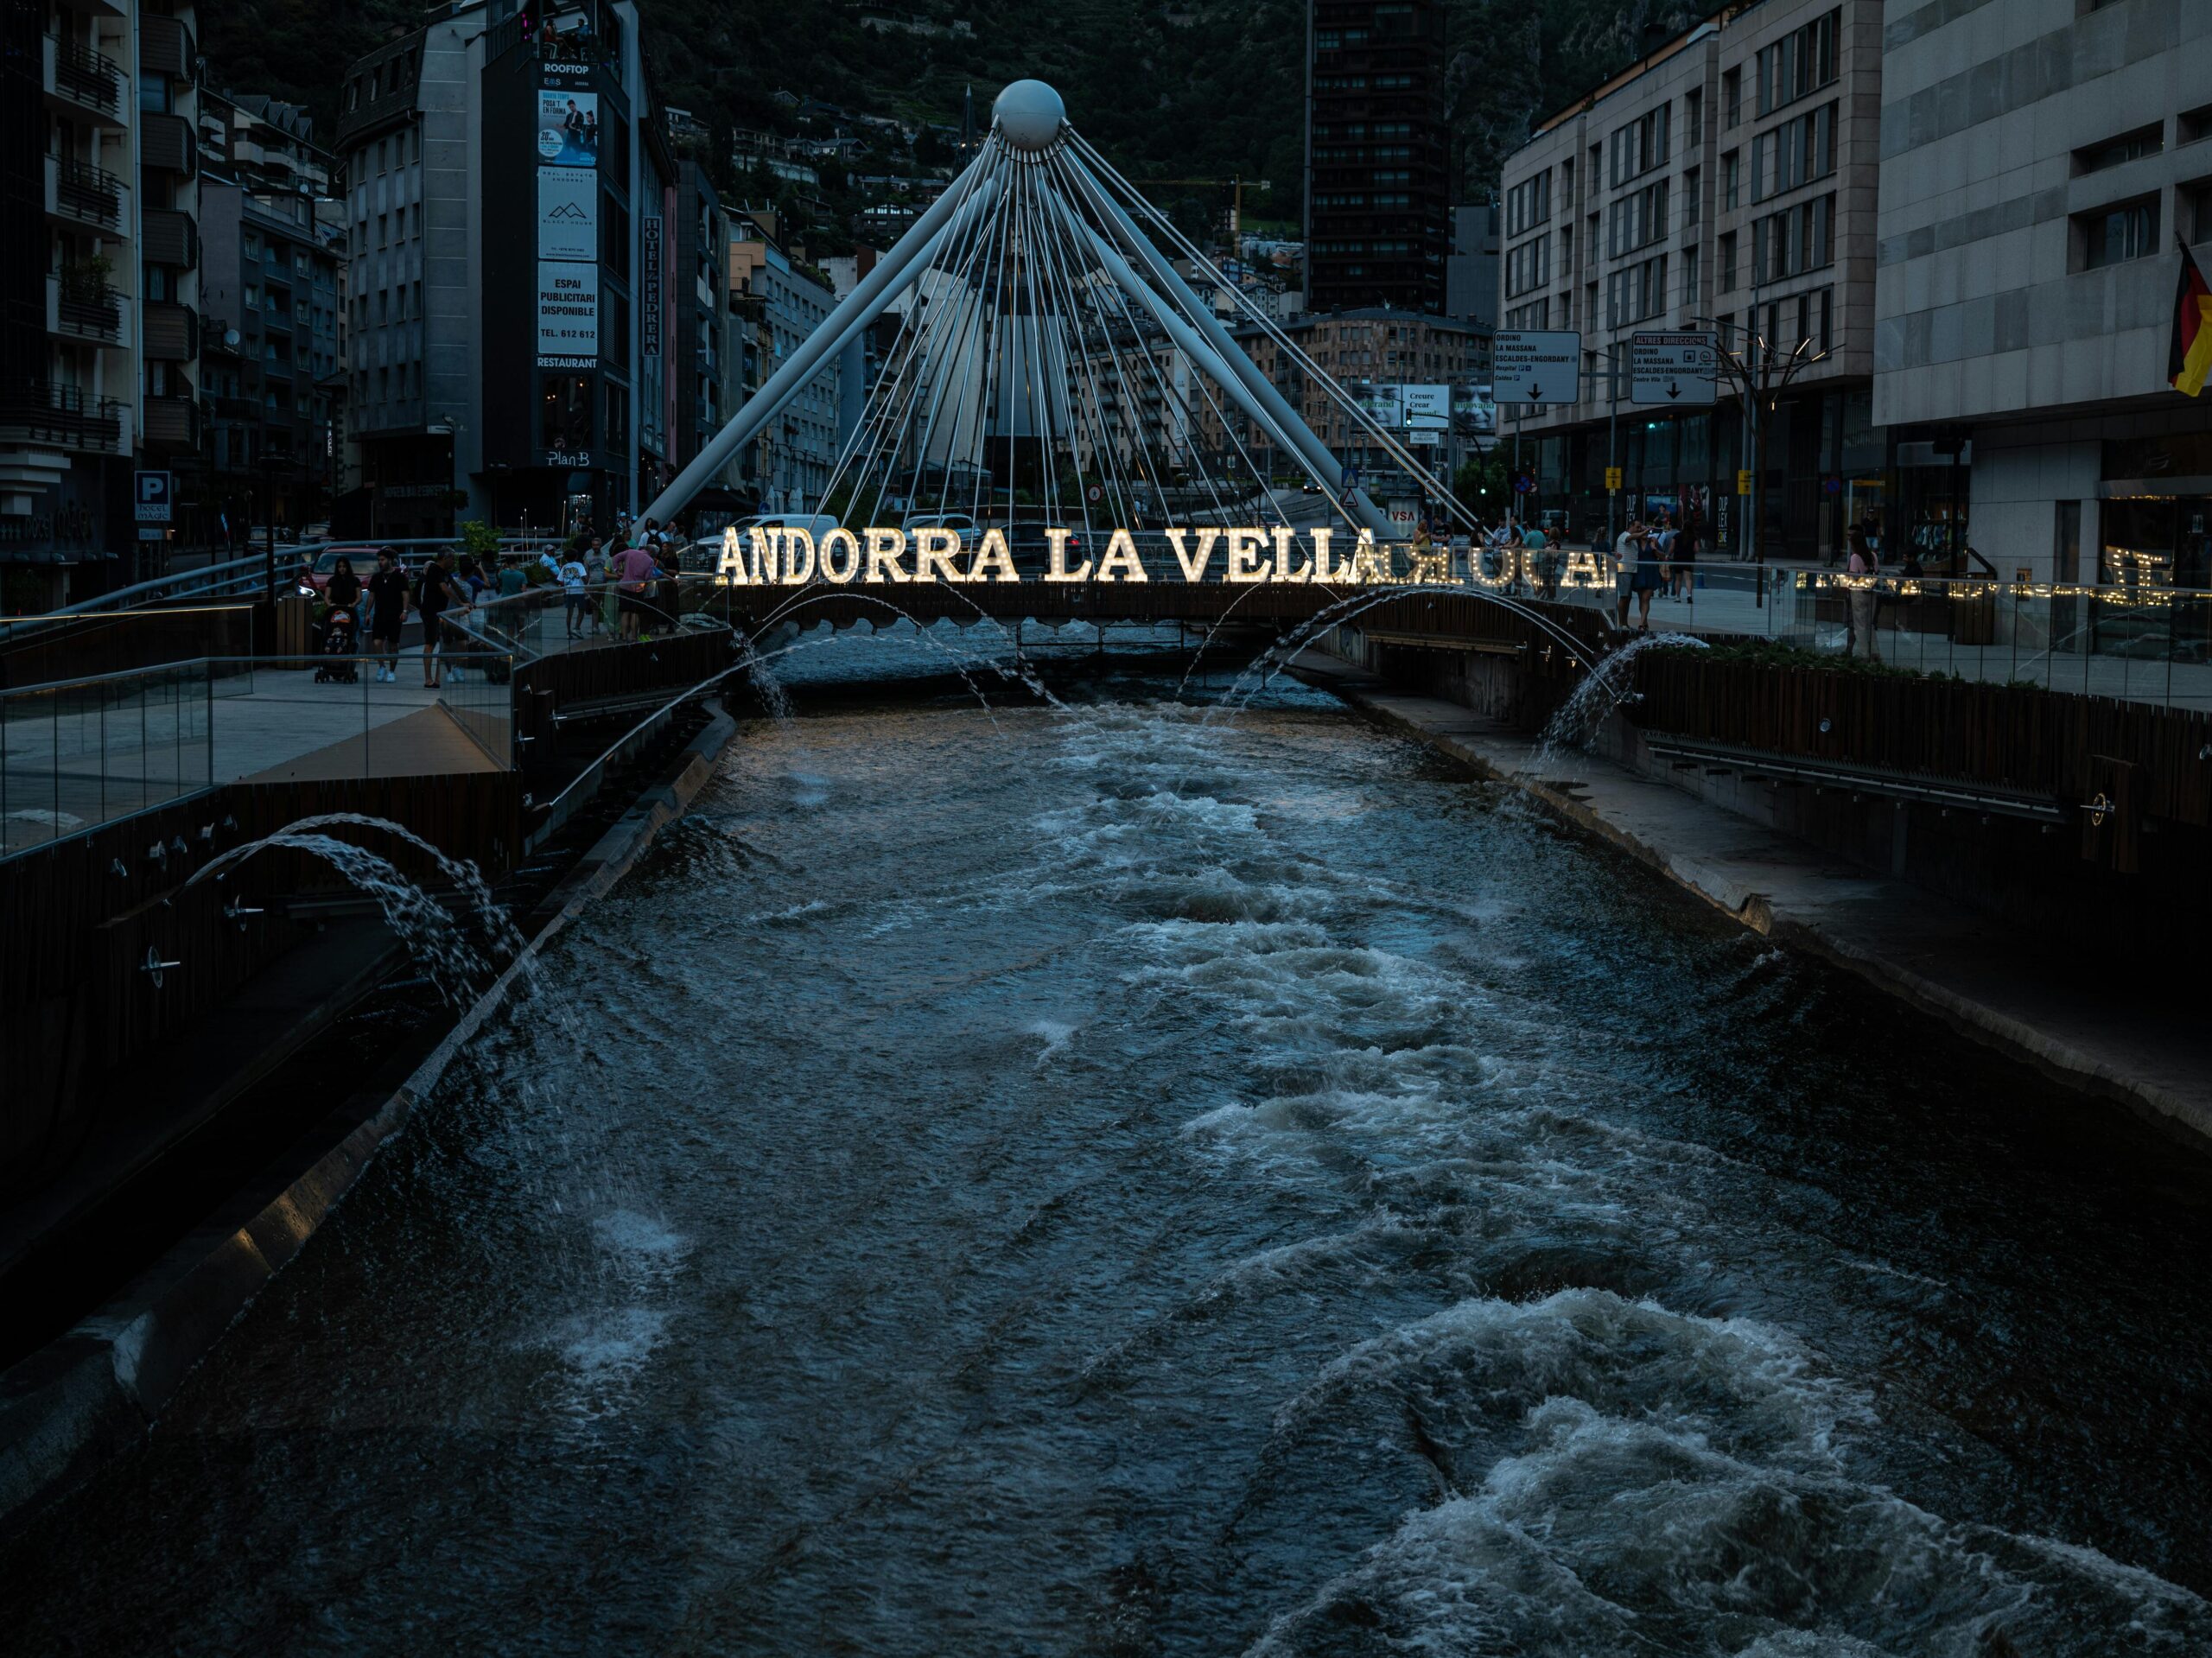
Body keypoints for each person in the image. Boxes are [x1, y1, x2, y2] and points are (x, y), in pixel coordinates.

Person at [415, 549, 472, 689]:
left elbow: (455, 586)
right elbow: (445, 589)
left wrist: (467, 601)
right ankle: (428, 679)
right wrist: (461, 603)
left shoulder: (445, 572)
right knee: (431, 643)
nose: (454, 562)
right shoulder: (434, 569)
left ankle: (438, 679)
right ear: (445, 558)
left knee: (443, 644)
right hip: (430, 612)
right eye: (452, 559)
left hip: (441, 613)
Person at [365, 547, 410, 683]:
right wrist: (367, 613)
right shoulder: (376, 578)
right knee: (377, 642)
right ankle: (382, 666)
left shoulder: (400, 577)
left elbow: (405, 595)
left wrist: (405, 611)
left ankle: (392, 671)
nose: (380, 562)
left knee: (393, 645)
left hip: (395, 615)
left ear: (390, 560)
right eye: (379, 560)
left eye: (383, 560)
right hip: (380, 614)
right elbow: (371, 596)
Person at [614, 536, 662, 640]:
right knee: (635, 613)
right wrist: (655, 576)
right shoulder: (650, 561)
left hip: (624, 586)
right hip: (637, 589)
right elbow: (647, 578)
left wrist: (617, 570)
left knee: (625, 612)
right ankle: (634, 637)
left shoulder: (631, 552)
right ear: (652, 554)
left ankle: (624, 636)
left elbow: (616, 558)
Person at [1847, 525, 1880, 660]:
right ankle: (1874, 652)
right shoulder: (1873, 555)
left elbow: (1854, 576)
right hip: (1872, 591)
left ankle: (1863, 654)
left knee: (1860, 625)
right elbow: (1877, 572)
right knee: (1869, 624)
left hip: (1858, 592)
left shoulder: (1855, 557)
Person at [559, 546, 589, 638]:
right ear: (576, 557)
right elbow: (584, 577)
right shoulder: (579, 565)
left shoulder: (565, 567)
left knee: (569, 612)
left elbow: (560, 580)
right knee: (581, 610)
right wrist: (586, 582)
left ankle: (568, 632)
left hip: (569, 591)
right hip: (579, 591)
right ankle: (576, 628)